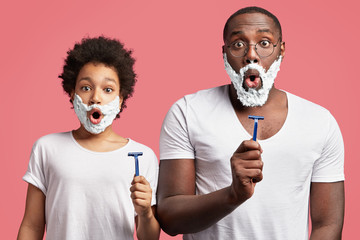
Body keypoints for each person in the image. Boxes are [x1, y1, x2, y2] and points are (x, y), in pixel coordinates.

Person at [157, 6, 345, 240]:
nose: (251, 55)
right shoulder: (187, 112)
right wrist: (233, 195)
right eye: (238, 44)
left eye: (264, 43)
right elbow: (170, 219)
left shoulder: (320, 121)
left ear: (281, 50)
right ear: (224, 53)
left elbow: (327, 224)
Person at [17, 37, 160, 240]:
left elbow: (150, 237)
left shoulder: (143, 156)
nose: (95, 97)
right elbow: (31, 226)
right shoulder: (47, 148)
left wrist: (145, 212)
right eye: (86, 88)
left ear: (120, 100)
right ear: (72, 93)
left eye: (108, 89)